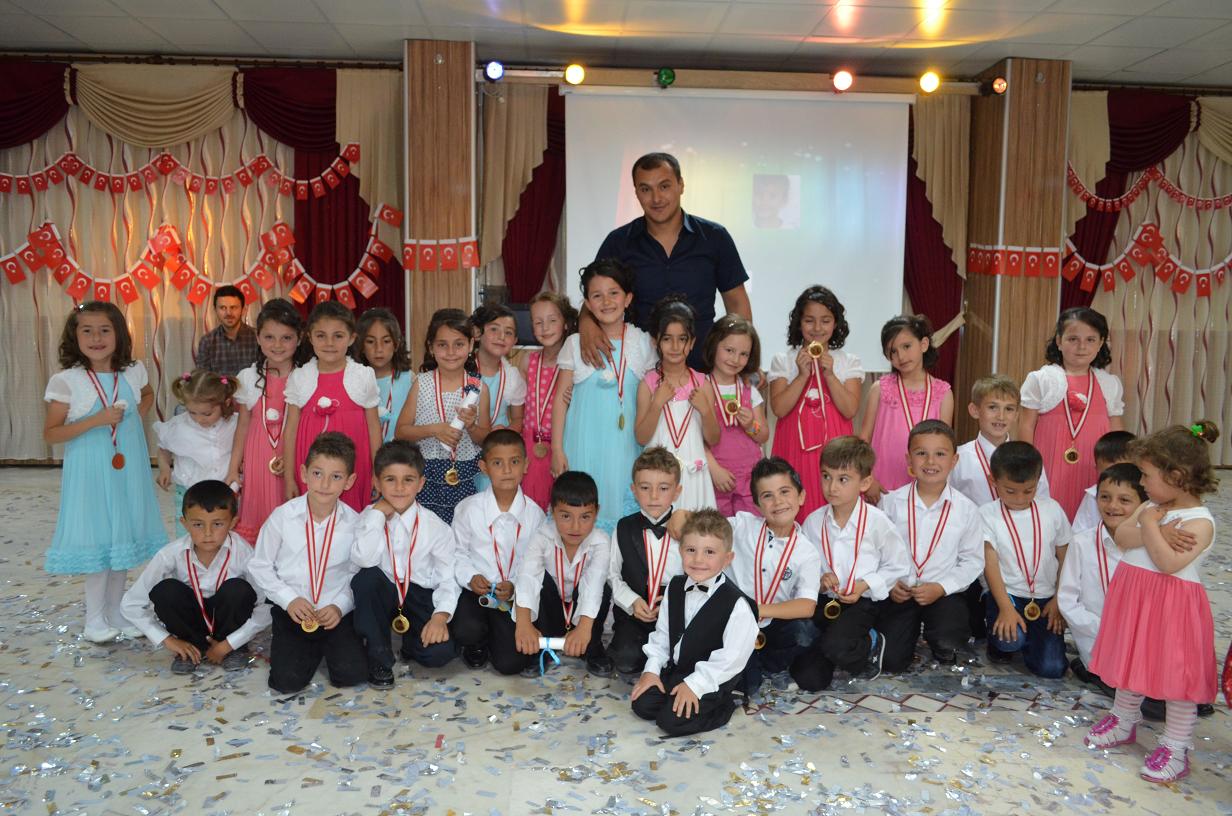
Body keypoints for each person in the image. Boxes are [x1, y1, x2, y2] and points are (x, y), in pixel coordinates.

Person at [1085, 422, 1219, 784]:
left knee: (1177, 677)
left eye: (1146, 475)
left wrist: (1148, 525)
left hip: (1172, 608)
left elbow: (1167, 562)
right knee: (1132, 660)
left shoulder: (1200, 522)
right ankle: (1124, 718)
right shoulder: (1152, 508)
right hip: (1137, 599)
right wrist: (1152, 526)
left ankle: (1176, 745)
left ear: (1176, 476)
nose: (1141, 483)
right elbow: (1122, 536)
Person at [44, 302, 165, 643]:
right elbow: (51, 433)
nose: (96, 338)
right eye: (87, 331)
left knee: (121, 538)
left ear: (119, 334)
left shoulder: (133, 371)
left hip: (127, 469)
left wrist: (136, 413)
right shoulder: (67, 381)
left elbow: (147, 394)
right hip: (91, 473)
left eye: (104, 330)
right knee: (99, 540)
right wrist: (96, 420)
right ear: (75, 336)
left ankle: (115, 611)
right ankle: (94, 618)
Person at [585, 152, 752, 371]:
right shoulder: (619, 242)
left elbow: (737, 303)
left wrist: (743, 359)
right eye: (646, 189)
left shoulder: (714, 237)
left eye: (664, 186)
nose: (656, 198)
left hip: (702, 369)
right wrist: (586, 325)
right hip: (636, 372)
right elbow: (593, 295)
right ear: (636, 192)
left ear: (681, 185)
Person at [249, 432, 367, 694]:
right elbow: (260, 565)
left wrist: (340, 606)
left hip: (334, 612)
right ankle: (307, 647)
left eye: (336, 477)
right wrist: (288, 599)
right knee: (285, 683)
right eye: (317, 473)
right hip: (293, 608)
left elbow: (356, 574)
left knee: (351, 675)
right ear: (303, 473)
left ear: (349, 481)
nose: (324, 484)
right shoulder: (282, 517)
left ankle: (325, 645)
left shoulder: (356, 523)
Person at [792, 437, 909, 691]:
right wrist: (821, 579)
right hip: (827, 602)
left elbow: (899, 565)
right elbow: (806, 566)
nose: (832, 487)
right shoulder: (813, 522)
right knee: (809, 678)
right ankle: (839, 645)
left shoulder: (877, 522)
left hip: (863, 603)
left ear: (864, 483)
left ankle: (871, 641)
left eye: (843, 479)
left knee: (836, 646)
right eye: (826, 476)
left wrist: (865, 584)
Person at [631, 509, 758, 737]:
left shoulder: (737, 604)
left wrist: (695, 685)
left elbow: (731, 659)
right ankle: (677, 691)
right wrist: (651, 671)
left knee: (670, 721)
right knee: (643, 705)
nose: (698, 560)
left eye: (709, 552)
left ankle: (726, 704)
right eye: (691, 550)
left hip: (714, 678)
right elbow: (662, 635)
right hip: (679, 670)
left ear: (727, 559)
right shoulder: (675, 587)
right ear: (680, 551)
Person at [121, 480, 269, 674]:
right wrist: (167, 640)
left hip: (229, 623)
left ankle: (233, 649)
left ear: (233, 523)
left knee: (238, 590)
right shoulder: (170, 555)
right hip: (190, 620)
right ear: (184, 523)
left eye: (217, 524)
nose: (208, 533)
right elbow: (131, 604)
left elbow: (266, 605)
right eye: (198, 524)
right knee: (166, 591)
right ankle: (191, 647)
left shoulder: (244, 553)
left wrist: (230, 643)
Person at [552, 259, 657, 531]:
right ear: (587, 303)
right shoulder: (574, 344)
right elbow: (560, 401)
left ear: (628, 299)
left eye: (614, 293)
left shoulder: (643, 342)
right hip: (581, 444)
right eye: (597, 295)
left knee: (622, 514)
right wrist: (557, 449)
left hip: (627, 445)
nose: (606, 301)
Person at [877, 421, 984, 671]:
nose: (930, 461)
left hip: (942, 593)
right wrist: (890, 584)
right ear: (909, 459)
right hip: (901, 592)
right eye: (921, 453)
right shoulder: (890, 504)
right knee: (891, 662)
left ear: (954, 460)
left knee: (948, 641)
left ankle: (941, 639)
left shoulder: (967, 509)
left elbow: (972, 561)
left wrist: (941, 587)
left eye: (940, 454)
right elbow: (876, 554)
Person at [351, 440, 458, 689]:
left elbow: (447, 578)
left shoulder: (436, 527)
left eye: (408, 480)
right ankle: (379, 656)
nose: (399, 488)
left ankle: (411, 643)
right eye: (390, 479)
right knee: (366, 579)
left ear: (420, 483)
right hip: (383, 593)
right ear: (377, 483)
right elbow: (364, 559)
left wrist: (440, 617)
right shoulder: (368, 517)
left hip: (418, 594)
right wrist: (377, 515)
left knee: (439, 655)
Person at [449, 429, 546, 673]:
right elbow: (457, 553)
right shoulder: (467, 509)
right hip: (476, 592)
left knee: (510, 664)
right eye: (497, 463)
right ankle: (476, 644)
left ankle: (496, 639)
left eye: (514, 462)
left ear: (525, 465)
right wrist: (470, 577)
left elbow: (535, 566)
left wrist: (514, 585)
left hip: (511, 595)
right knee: (466, 630)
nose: (507, 470)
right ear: (484, 467)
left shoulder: (535, 515)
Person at [1018, 307, 1125, 521]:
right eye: (1073, 339)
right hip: (1048, 465)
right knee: (1047, 520)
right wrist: (1028, 467)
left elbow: (1116, 429)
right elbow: (1026, 425)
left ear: (1101, 343)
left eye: (1090, 340)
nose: (1082, 346)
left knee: (1088, 521)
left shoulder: (1109, 383)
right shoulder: (1041, 379)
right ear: (1059, 341)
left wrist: (1120, 467)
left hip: (1093, 466)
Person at [727, 457, 820, 697]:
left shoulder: (807, 551)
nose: (778, 502)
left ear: (801, 496)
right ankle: (751, 666)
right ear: (757, 505)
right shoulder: (741, 526)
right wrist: (681, 515)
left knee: (805, 632)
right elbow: (705, 526)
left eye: (784, 492)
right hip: (735, 624)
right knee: (747, 687)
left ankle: (771, 664)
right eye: (767, 496)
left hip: (772, 622)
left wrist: (759, 609)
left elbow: (807, 605)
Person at [769, 286, 863, 522]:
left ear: (836, 323)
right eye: (809, 320)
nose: (817, 328)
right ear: (799, 322)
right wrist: (802, 375)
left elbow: (850, 409)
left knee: (835, 511)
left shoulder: (848, 361)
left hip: (834, 451)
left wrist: (829, 374)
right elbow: (779, 409)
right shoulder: (784, 360)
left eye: (825, 320)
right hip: (794, 450)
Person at [981, 442, 1070, 678]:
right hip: (1008, 595)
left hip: (1046, 598)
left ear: (1038, 481)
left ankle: (1032, 639)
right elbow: (990, 565)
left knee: (1052, 669)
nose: (1020, 499)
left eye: (1028, 490)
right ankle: (1002, 638)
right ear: (993, 481)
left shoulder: (1052, 509)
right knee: (1010, 641)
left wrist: (1058, 599)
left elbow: (1065, 557)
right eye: (1010, 491)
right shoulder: (987, 514)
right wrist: (1006, 608)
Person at [394, 309, 491, 524]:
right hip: (425, 475)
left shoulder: (479, 388)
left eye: (459, 344)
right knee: (427, 534)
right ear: (431, 347)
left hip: (465, 475)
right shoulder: (421, 383)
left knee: (463, 532)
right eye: (442, 345)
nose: (451, 352)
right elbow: (400, 432)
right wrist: (434, 430)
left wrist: (471, 426)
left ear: (471, 345)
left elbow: (485, 439)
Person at [282, 302, 381, 513]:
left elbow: (374, 427)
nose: (329, 343)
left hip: (355, 464)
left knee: (352, 518)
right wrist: (289, 477)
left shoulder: (363, 376)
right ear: (309, 337)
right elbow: (290, 431)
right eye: (321, 336)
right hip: (312, 466)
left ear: (352, 338)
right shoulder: (300, 377)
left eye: (338, 336)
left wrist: (377, 472)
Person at [514, 471, 614, 676]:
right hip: (552, 610)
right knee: (541, 580)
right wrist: (523, 624)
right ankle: (543, 647)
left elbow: (594, 586)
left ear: (596, 512)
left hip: (583, 612)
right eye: (566, 516)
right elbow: (526, 577)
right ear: (552, 511)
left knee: (603, 588)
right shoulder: (542, 537)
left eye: (585, 517)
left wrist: (584, 628)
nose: (575, 527)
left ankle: (592, 645)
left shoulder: (601, 541)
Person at [1057, 463, 1145, 695]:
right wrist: (1107, 629)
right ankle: (1087, 668)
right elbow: (1067, 600)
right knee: (1138, 698)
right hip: (1098, 642)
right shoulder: (1081, 543)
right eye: (1104, 497)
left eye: (1124, 500)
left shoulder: (1148, 545)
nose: (1112, 506)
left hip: (1141, 643)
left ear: (1143, 506)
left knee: (1169, 694)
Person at [226, 299, 306, 544]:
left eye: (286, 338)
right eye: (269, 337)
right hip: (257, 456)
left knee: (289, 515)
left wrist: (293, 458)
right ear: (258, 338)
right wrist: (233, 468)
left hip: (294, 454)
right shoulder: (248, 377)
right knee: (257, 513)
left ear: (299, 339)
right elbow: (242, 427)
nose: (277, 345)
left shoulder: (307, 376)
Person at [634, 296, 719, 510]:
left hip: (693, 474)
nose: (675, 346)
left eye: (682, 339)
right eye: (667, 339)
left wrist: (706, 411)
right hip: (658, 477)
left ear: (691, 343)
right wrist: (656, 404)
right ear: (655, 341)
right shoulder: (648, 384)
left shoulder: (702, 384)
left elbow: (713, 438)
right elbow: (641, 437)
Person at [860, 314, 954, 502]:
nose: (901, 356)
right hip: (881, 486)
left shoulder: (943, 393)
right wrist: (867, 478)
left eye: (906, 346)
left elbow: (945, 446)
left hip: (926, 486)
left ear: (924, 344)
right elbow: (864, 439)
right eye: (893, 351)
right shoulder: (880, 389)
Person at [608, 447, 684, 675]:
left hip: (675, 612)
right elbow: (612, 574)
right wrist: (631, 602)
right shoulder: (623, 527)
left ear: (677, 491)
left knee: (681, 662)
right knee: (625, 661)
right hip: (636, 611)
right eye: (645, 488)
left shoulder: (688, 528)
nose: (654, 496)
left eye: (663, 488)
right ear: (633, 490)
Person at [155, 370, 239, 536]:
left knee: (221, 535)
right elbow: (163, 448)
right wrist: (164, 469)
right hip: (188, 492)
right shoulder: (179, 426)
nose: (199, 419)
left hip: (223, 493)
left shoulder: (235, 423)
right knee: (188, 536)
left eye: (207, 413)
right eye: (192, 412)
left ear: (226, 403)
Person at [950, 374, 1052, 508]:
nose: (1001, 416)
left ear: (1016, 415)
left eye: (1009, 409)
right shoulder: (958, 459)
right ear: (974, 410)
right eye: (993, 407)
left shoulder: (1029, 458)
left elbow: (1043, 503)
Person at [702, 314, 768, 515]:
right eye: (729, 350)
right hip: (715, 478)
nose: (735, 359)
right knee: (716, 530)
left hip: (750, 479)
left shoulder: (749, 390)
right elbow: (694, 437)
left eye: (743, 354)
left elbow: (763, 435)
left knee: (751, 529)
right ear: (714, 345)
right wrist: (714, 469)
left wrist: (750, 426)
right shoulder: (700, 388)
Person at [519, 292, 577, 510]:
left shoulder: (574, 364)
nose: (545, 328)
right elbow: (520, 408)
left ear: (566, 323)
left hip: (562, 444)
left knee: (561, 505)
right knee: (530, 507)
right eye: (538, 322)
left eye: (552, 320)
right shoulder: (528, 361)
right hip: (530, 447)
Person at [472, 303, 527, 492]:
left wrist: (505, 433)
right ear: (477, 333)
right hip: (464, 448)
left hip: (496, 454)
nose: (501, 337)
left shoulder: (512, 376)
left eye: (508, 332)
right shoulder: (461, 369)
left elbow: (518, 418)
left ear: (515, 340)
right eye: (494, 329)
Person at [353, 308, 414, 444]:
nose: (378, 349)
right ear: (360, 345)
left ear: (397, 344)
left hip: (399, 454)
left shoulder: (411, 380)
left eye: (386, 341)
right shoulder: (352, 380)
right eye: (370, 341)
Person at [1072, 430, 1136, 533]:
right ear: (1097, 469)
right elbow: (1079, 531)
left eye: (1124, 500)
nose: (1115, 479)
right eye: (1108, 473)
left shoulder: (1146, 494)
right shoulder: (1092, 495)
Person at [196, 285, 259, 377]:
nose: (228, 313)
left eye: (233, 307)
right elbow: (203, 378)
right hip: (219, 387)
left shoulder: (258, 338)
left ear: (243, 310)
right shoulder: (207, 342)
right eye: (223, 308)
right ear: (215, 311)